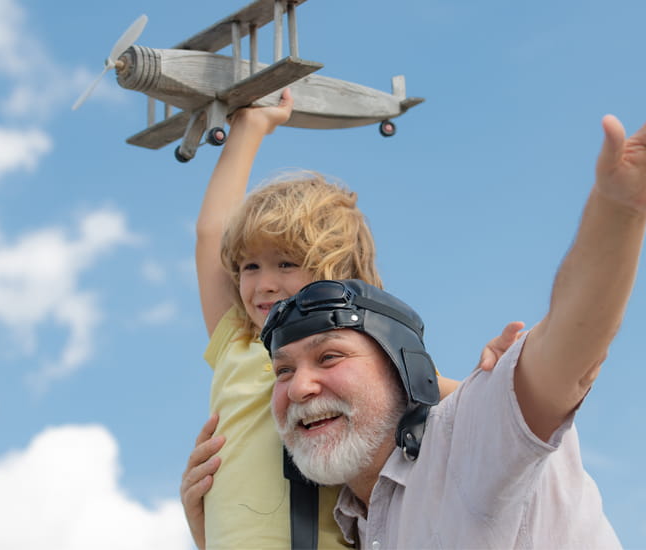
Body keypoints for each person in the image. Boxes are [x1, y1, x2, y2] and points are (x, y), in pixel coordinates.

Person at [260, 63, 646, 547]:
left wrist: (621, 209)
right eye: (283, 371)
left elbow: (570, 344)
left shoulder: (472, 439)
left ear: (402, 366)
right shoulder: (353, 523)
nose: (300, 387)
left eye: (329, 357)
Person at [185, 87, 525, 550]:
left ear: (335, 271)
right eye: (250, 267)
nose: (263, 284)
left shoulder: (357, 354)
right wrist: (250, 126)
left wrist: (501, 384)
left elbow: (436, 395)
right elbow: (212, 234)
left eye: (286, 264)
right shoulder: (238, 344)